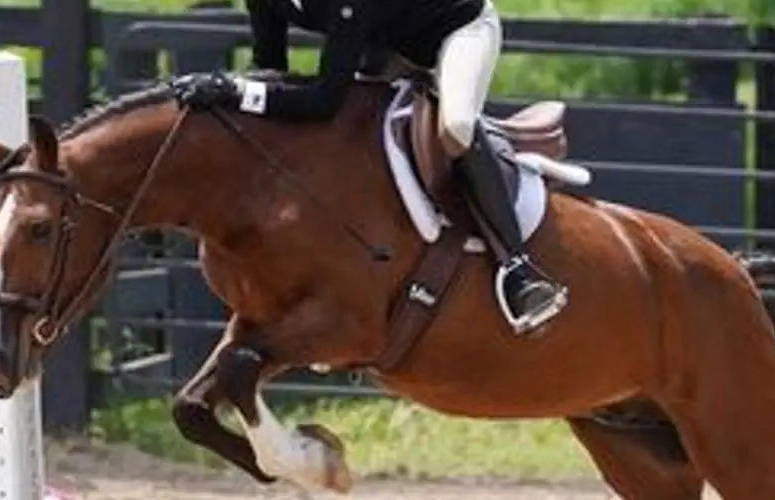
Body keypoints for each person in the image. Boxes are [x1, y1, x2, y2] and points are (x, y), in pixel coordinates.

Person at [169, 0, 568, 333]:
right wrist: (233, 92)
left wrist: (237, 90)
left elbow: (325, 99)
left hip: (458, 31)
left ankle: (520, 269)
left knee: (457, 126)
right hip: (382, 44)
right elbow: (269, 68)